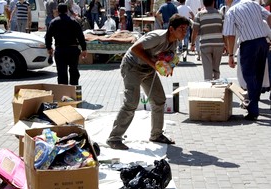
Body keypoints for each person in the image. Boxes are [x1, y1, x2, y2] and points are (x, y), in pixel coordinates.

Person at [106, 14, 190, 150]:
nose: (184, 32)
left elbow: (169, 57)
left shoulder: (174, 41)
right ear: (171, 29)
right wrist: (154, 64)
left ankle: (156, 134)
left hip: (148, 69)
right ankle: (114, 138)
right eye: (182, 29)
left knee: (159, 100)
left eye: (186, 29)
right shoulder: (157, 36)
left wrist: (170, 67)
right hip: (132, 66)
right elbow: (135, 48)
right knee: (131, 102)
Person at [223, 0, 271, 120]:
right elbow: (269, 16)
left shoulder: (231, 11)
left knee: (249, 76)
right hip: (262, 42)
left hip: (248, 45)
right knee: (258, 75)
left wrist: (230, 55)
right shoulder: (252, 3)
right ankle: (253, 106)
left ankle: (253, 109)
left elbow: (230, 35)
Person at [45, 3, 87, 85]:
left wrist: (49, 48)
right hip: (73, 50)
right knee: (74, 71)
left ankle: (63, 93)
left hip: (60, 50)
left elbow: (48, 37)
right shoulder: (74, 22)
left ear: (58, 11)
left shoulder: (53, 22)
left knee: (61, 73)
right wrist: (84, 49)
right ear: (67, 11)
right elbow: (81, 36)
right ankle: (74, 91)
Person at [190, 0, 224, 80]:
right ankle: (217, 85)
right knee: (216, 68)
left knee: (207, 70)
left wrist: (192, 44)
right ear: (213, 2)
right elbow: (224, 31)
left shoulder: (199, 15)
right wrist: (226, 45)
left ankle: (209, 88)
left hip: (205, 45)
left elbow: (195, 31)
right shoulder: (220, 14)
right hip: (218, 45)